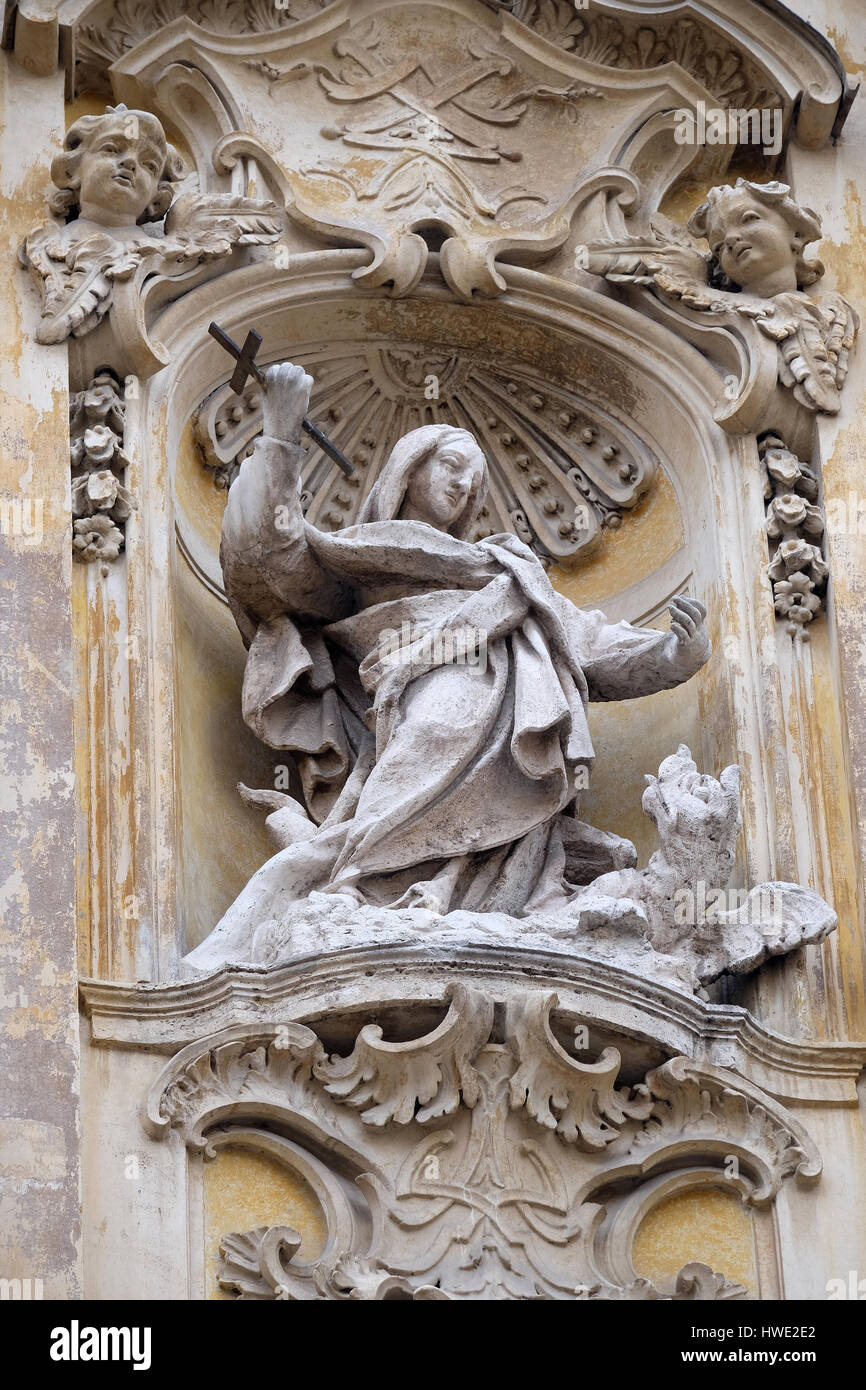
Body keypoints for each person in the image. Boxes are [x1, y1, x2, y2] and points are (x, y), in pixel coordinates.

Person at [184, 362, 711, 968]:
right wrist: (279, 436)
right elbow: (268, 561)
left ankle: (438, 897)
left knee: (479, 763)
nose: (463, 486)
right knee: (434, 733)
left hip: (508, 697)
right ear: (410, 471)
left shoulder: (506, 568)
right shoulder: (362, 554)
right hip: (414, 690)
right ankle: (355, 885)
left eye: (476, 480)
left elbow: (587, 640)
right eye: (451, 467)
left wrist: (673, 653)